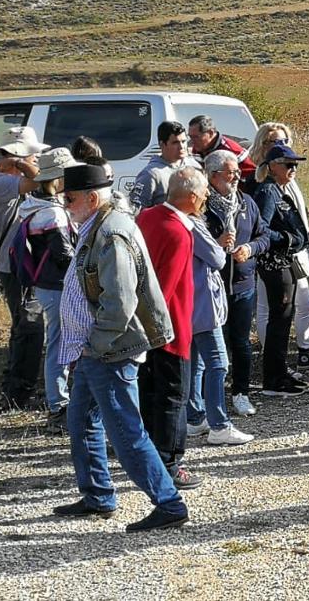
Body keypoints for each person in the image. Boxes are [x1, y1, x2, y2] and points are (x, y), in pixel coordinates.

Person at [55, 161, 189, 532]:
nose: (66, 204)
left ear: (92, 197)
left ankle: (169, 503)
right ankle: (98, 495)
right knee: (81, 420)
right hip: (93, 348)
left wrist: (94, 346)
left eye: (70, 198)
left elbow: (120, 303)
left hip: (110, 349)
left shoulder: (111, 233)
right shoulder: (96, 224)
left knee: (125, 431)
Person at [136, 167, 204, 490]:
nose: (205, 199)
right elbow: (165, 287)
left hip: (144, 327)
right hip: (170, 328)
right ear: (192, 197)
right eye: (203, 194)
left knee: (150, 392)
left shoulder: (147, 216)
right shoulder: (179, 232)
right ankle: (170, 462)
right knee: (174, 396)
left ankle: (150, 456)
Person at [10, 147, 77, 431]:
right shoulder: (53, 213)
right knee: (60, 346)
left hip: (44, 284)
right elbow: (64, 256)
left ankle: (58, 404)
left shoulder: (31, 204)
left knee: (58, 344)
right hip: (58, 284)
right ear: (58, 177)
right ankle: (58, 407)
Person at [184, 174, 253, 447]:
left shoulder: (177, 219)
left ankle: (195, 416)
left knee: (196, 362)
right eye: (203, 193)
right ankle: (219, 425)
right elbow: (215, 258)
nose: (206, 197)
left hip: (189, 301)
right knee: (217, 363)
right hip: (203, 302)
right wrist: (221, 243)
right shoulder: (193, 223)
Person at [203, 150, 269, 419]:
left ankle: (241, 393)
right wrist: (216, 245)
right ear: (213, 175)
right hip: (210, 288)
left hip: (243, 285)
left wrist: (250, 249)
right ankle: (210, 400)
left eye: (237, 171)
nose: (237, 176)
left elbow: (264, 235)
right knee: (212, 347)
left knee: (241, 342)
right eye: (231, 172)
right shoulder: (201, 205)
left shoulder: (246, 202)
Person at [253, 142, 309, 396]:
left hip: (284, 261)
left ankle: (278, 372)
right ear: (274, 167)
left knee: (284, 317)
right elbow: (261, 228)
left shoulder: (279, 190)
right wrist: (285, 238)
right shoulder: (268, 192)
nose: (293, 170)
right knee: (280, 318)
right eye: (289, 165)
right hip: (274, 263)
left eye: (295, 166)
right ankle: (273, 379)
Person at [0, 127, 45, 410]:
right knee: (30, 326)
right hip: (15, 265)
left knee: (22, 325)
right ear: (15, 156)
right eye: (31, 153)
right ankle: (18, 391)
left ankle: (14, 384)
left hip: (19, 263)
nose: (36, 158)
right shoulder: (2, 182)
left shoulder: (9, 179)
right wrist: (20, 162)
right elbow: (41, 180)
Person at [129, 121, 200, 211]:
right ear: (162, 145)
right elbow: (136, 211)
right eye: (175, 143)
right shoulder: (150, 175)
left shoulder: (194, 165)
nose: (181, 146)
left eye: (183, 141)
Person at [188, 114, 255, 182]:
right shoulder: (197, 148)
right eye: (190, 137)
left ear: (211, 133)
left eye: (196, 137)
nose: (192, 141)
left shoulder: (231, 150)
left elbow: (253, 176)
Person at [242, 122, 293, 197]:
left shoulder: (286, 173)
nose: (284, 146)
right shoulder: (255, 178)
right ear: (264, 144)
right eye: (278, 142)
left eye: (285, 141)